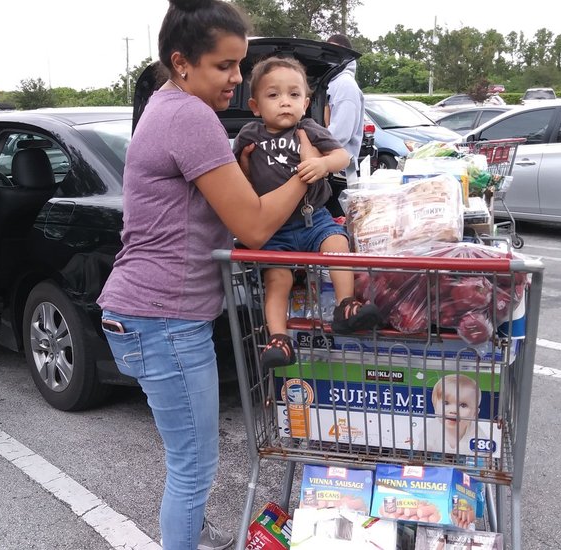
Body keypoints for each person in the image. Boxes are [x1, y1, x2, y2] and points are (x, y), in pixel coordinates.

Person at [96, 1, 323, 549]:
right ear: (182, 62)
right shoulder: (187, 116)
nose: (238, 79)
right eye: (225, 66)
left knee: (189, 460)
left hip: (150, 314)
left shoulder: (168, 106)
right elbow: (253, 225)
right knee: (194, 466)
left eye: (241, 65)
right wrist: (306, 170)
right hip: (163, 319)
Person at [232, 56, 381, 369]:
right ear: (255, 105)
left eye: (294, 95)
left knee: (338, 246)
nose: (285, 102)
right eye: (273, 95)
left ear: (306, 102)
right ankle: (279, 338)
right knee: (277, 278)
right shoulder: (249, 135)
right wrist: (245, 169)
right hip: (274, 229)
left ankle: (345, 307)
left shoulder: (310, 129)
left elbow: (341, 155)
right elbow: (235, 177)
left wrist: (323, 164)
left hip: (315, 220)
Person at [324, 33, 365, 179]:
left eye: (334, 53)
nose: (329, 57)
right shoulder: (329, 82)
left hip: (339, 174)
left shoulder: (345, 85)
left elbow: (339, 135)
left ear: (346, 55)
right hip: (328, 167)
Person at [426, 374, 482, 453]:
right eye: (446, 403)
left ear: (475, 413)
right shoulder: (433, 427)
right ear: (435, 406)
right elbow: (420, 450)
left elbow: (485, 455)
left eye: (463, 405)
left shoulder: (475, 432)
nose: (454, 410)